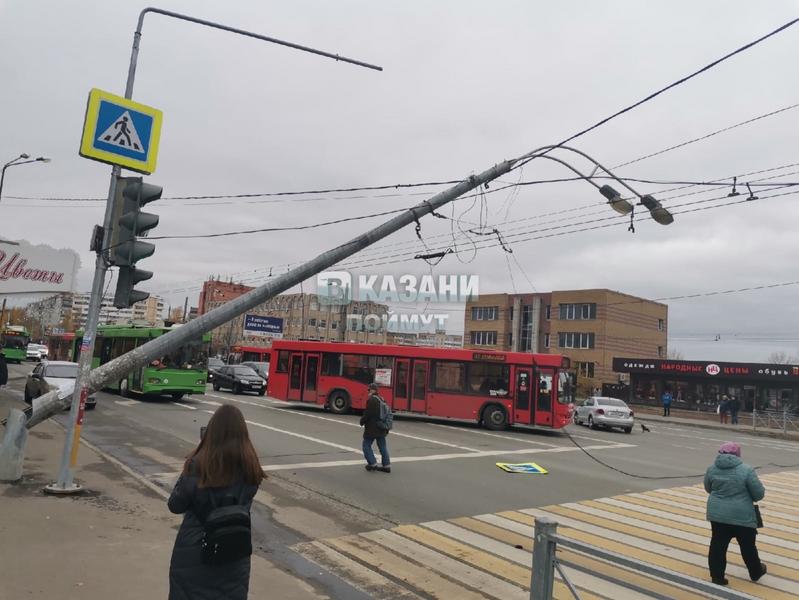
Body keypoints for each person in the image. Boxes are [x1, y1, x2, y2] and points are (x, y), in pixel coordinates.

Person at [168, 404, 265, 600]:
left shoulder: (197, 464)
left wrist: (190, 464)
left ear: (211, 432)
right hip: (234, 551)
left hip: (195, 551)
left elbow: (175, 505)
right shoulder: (250, 466)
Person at [704, 441, 767, 586]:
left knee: (718, 545)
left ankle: (717, 577)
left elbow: (708, 488)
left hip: (718, 514)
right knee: (748, 545)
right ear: (738, 454)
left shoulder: (712, 469)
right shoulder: (746, 470)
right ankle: (756, 572)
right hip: (742, 515)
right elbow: (758, 495)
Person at [360, 383, 391, 473]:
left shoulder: (372, 400)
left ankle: (372, 463)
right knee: (382, 447)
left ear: (373, 390)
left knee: (366, 445)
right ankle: (386, 465)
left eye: (369, 390)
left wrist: (362, 421)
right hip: (382, 427)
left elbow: (368, 414)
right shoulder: (382, 399)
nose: (368, 392)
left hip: (372, 428)